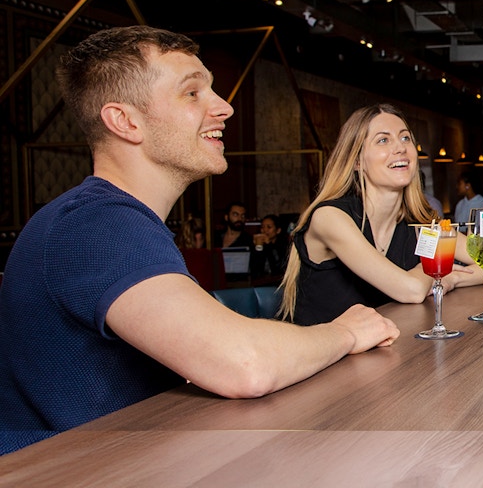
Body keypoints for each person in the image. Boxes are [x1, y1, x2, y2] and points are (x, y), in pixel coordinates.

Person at [0, 26, 399, 456]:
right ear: (124, 121)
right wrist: (344, 332)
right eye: (192, 93)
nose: (224, 108)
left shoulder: (115, 220)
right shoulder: (95, 224)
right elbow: (245, 364)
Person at [278, 104, 483, 326]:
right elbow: (412, 290)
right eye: (383, 140)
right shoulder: (330, 217)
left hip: (386, 353)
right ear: (357, 161)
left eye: (405, 138)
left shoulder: (420, 223)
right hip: (321, 357)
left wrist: (448, 278)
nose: (400, 148)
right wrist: (437, 272)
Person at [251, 213, 288, 279]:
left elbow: (277, 268)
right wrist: (257, 248)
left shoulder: (284, 246)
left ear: (278, 230)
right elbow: (255, 269)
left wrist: (269, 245)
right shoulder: (259, 244)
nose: (265, 230)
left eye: (269, 227)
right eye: (262, 227)